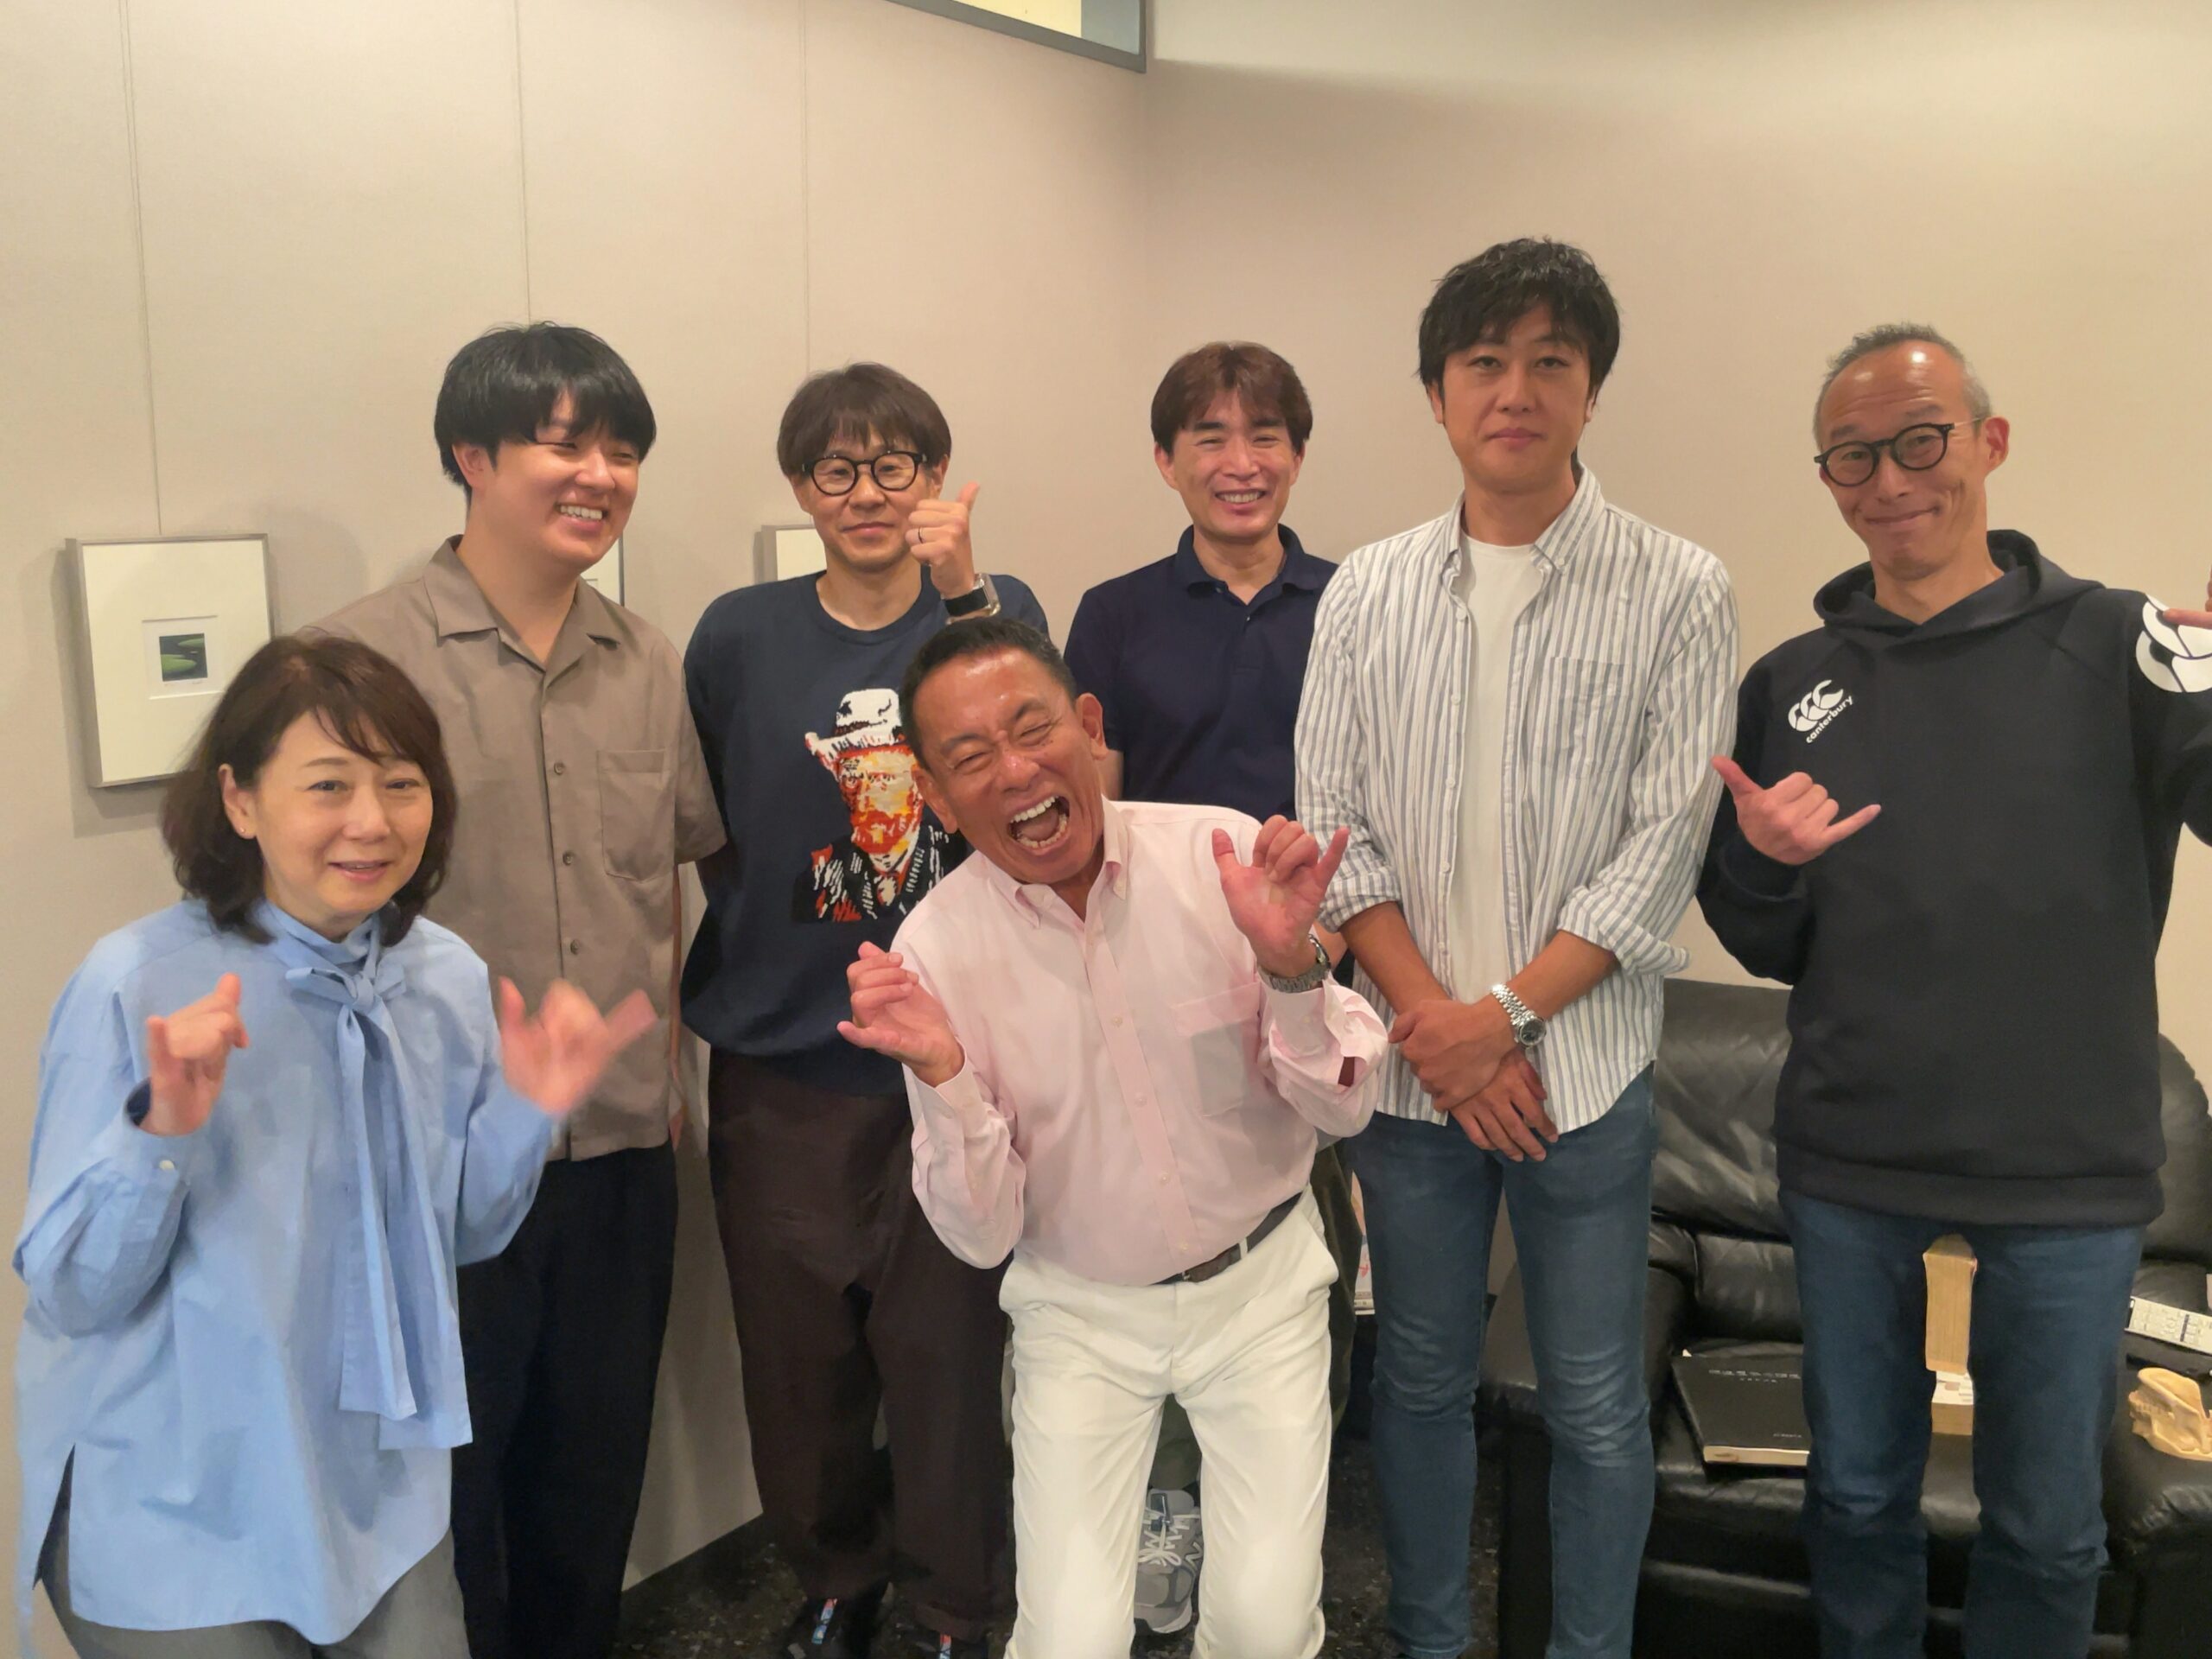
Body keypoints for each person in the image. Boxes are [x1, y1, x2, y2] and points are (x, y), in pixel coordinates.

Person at [1697, 324, 2212, 1659]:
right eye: (1852, 456)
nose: (1889, 480)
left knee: (2046, 1526)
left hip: (2066, 1167)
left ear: (1989, 443)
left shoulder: (2123, 643)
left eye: (1920, 441)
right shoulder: (1794, 683)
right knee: (1855, 1497)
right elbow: (1761, 940)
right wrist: (1763, 864)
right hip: (1853, 1154)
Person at [15, 634, 655, 1659]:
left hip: (373, 1484)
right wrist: (159, 1134)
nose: (372, 821)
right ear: (240, 800)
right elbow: (74, 1292)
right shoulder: (137, 982)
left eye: (401, 783)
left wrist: (527, 1111)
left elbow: (463, 1237)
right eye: (328, 785)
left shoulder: (440, 975)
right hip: (179, 1496)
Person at [1295, 238, 1738, 1659]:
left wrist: (1503, 1021)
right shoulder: (1366, 590)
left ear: (1591, 390)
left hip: (1582, 1077)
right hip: (1416, 1079)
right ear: (1437, 394)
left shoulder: (1679, 586)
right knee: (1418, 1384)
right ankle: (1432, 1641)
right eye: (1484, 361)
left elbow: (1662, 846)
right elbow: (1338, 829)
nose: (1516, 389)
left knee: (1596, 1404)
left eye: (1552, 360)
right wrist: (1443, 1026)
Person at [841, 617, 1384, 1659]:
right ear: (936, 796)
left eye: (1032, 728)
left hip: (1260, 1289)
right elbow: (978, 1235)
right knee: (1068, 1640)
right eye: (970, 757)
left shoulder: (1216, 856)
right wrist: (944, 1077)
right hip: (1079, 1312)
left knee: (1266, 1627)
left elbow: (1344, 1107)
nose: (1015, 772)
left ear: (1089, 728)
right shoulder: (934, 952)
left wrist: (1292, 971)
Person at [315, 323, 725, 1659]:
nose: (599, 474)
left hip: (619, 1151)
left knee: (591, 1492)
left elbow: (662, 885)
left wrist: (667, 1079)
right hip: (434, 1165)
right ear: (471, 456)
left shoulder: (648, 659)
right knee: (446, 1517)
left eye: (623, 451)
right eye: (565, 443)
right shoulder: (359, 664)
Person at [681, 365, 1045, 1659]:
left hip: (953, 1062)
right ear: (801, 486)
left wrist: (964, 588)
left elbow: (1037, 769)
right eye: (838, 468)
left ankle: (958, 1605)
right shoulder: (740, 634)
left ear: (935, 478)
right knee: (797, 1365)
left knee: (947, 1357)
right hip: (784, 1060)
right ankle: (837, 1576)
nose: (869, 493)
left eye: (897, 465)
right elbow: (715, 822)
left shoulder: (988, 608)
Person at [1061, 340, 1364, 1636]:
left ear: (1297, 454)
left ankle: (1276, 1512)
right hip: (1169, 978)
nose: (1240, 463)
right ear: (1165, 460)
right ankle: (1171, 1502)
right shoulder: (1117, 612)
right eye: (1209, 438)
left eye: (1265, 436)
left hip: (1321, 959)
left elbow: (1380, 790)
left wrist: (1332, 941)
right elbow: (1098, 803)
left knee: (1306, 1248)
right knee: (1179, 1233)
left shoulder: (1354, 600)